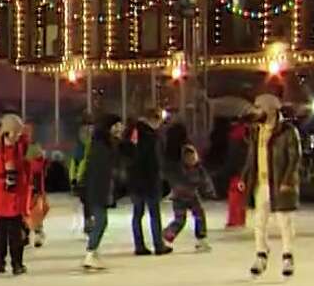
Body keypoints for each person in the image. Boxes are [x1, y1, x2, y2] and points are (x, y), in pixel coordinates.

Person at [242, 93, 302, 278]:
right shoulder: (256, 131)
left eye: (259, 108)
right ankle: (261, 254)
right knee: (259, 222)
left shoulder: (287, 131)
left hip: (279, 182)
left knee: (284, 221)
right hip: (260, 183)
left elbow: (294, 157)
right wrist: (245, 178)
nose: (256, 111)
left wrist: (287, 180)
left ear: (270, 109)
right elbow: (251, 157)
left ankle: (287, 256)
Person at [0, 113, 34, 275]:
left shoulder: (21, 145)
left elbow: (27, 165)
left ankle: (17, 263)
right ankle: (0, 262)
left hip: (15, 193)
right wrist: (3, 167)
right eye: (15, 133)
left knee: (15, 232)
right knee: (1, 231)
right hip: (0, 194)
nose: (18, 136)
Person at [80, 114, 124, 272]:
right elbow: (99, 171)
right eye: (117, 125)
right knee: (101, 221)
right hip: (97, 189)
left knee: (101, 221)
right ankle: (90, 253)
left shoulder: (107, 144)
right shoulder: (101, 145)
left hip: (101, 188)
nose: (120, 128)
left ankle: (93, 252)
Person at [125, 107, 169, 257]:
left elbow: (130, 155)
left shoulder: (134, 132)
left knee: (138, 214)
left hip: (135, 179)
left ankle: (139, 245)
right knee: (154, 213)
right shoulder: (150, 135)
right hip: (149, 180)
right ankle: (158, 244)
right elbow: (153, 160)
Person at [161, 144, 216, 252]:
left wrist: (210, 191)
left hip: (192, 196)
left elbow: (205, 181)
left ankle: (201, 239)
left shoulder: (199, 169)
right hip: (179, 197)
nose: (191, 160)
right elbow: (173, 180)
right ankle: (167, 234)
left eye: (193, 158)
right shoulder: (179, 169)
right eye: (188, 158)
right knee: (180, 220)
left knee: (200, 214)